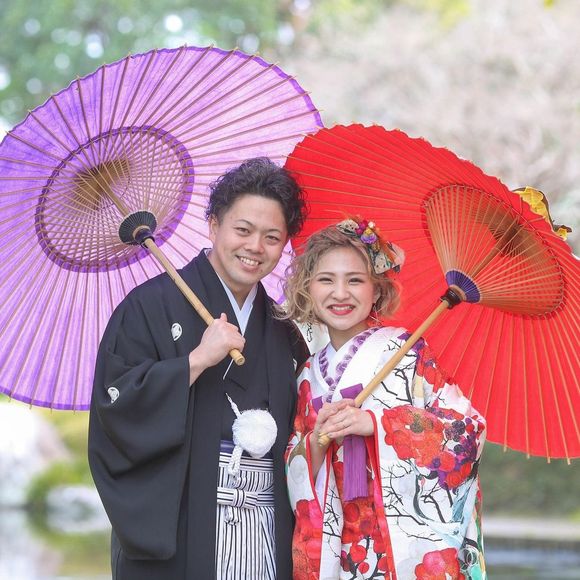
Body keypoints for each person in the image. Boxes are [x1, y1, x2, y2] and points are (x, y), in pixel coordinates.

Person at [88, 157, 310, 580]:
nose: (255, 247)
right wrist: (194, 362)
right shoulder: (147, 307)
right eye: (242, 230)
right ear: (213, 226)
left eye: (272, 237)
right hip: (184, 525)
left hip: (265, 529)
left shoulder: (283, 330)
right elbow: (114, 409)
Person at [283, 219, 487, 579]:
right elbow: (295, 463)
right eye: (326, 280)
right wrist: (315, 443)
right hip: (339, 548)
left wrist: (378, 423)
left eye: (355, 280)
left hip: (398, 545)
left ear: (377, 290)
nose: (340, 293)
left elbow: (466, 431)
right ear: (307, 288)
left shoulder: (407, 353)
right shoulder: (307, 374)